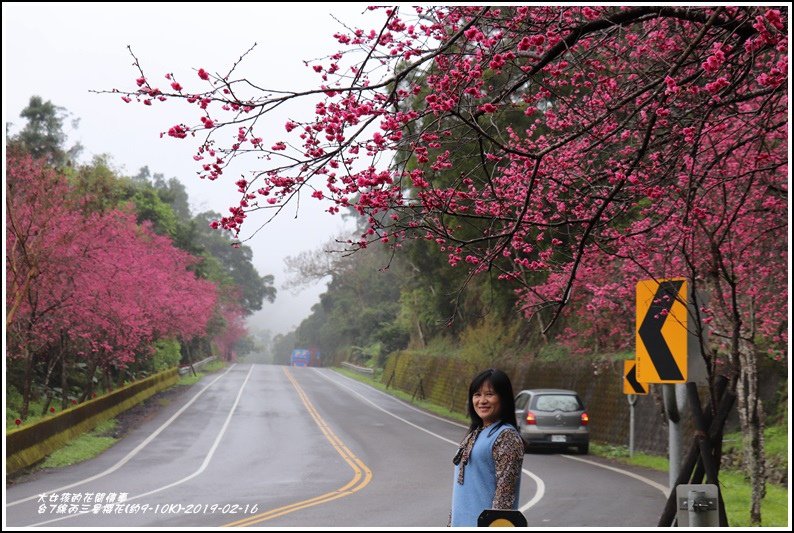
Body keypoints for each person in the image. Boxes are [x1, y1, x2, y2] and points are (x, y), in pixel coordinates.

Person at [449, 368, 524, 527]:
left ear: (503, 398)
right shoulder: (475, 433)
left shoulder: (506, 436)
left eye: (489, 394)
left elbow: (504, 497)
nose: (482, 400)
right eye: (477, 395)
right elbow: (461, 493)